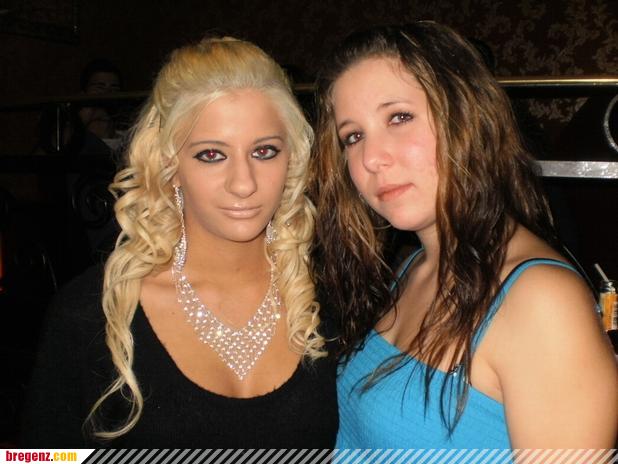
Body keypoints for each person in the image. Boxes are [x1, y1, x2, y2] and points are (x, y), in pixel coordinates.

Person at [311, 21, 617, 448]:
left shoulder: (543, 303)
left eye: (399, 117)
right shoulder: (414, 265)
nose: (371, 158)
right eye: (353, 136)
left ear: (468, 118)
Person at [22, 36, 337, 447]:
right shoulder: (91, 314)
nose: (243, 184)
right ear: (169, 164)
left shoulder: (335, 300)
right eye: (211, 155)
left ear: (291, 158)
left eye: (264, 151)